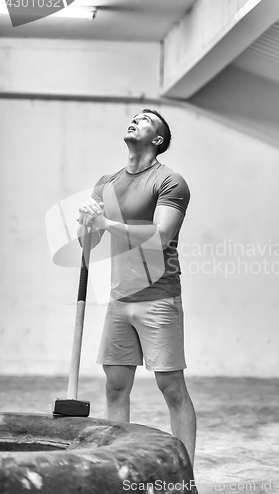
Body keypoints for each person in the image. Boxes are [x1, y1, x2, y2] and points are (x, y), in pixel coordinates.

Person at [77, 109, 196, 465]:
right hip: (119, 300)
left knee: (172, 389)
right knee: (115, 388)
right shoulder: (106, 183)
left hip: (159, 298)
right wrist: (85, 224)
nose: (135, 121)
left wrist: (105, 221)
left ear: (157, 140)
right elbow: (88, 248)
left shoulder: (171, 181)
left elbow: (160, 236)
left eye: (145, 120)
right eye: (134, 117)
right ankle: (120, 468)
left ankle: (185, 474)